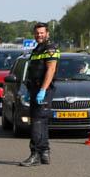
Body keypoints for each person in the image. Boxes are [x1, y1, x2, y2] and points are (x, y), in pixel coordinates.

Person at [18, 23, 60, 167]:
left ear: (47, 33)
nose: (39, 35)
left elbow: (51, 69)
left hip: (44, 88)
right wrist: (30, 91)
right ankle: (44, 152)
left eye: (42, 33)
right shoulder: (37, 49)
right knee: (41, 121)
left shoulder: (50, 48)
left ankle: (35, 153)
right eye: (37, 33)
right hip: (35, 88)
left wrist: (43, 89)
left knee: (36, 121)